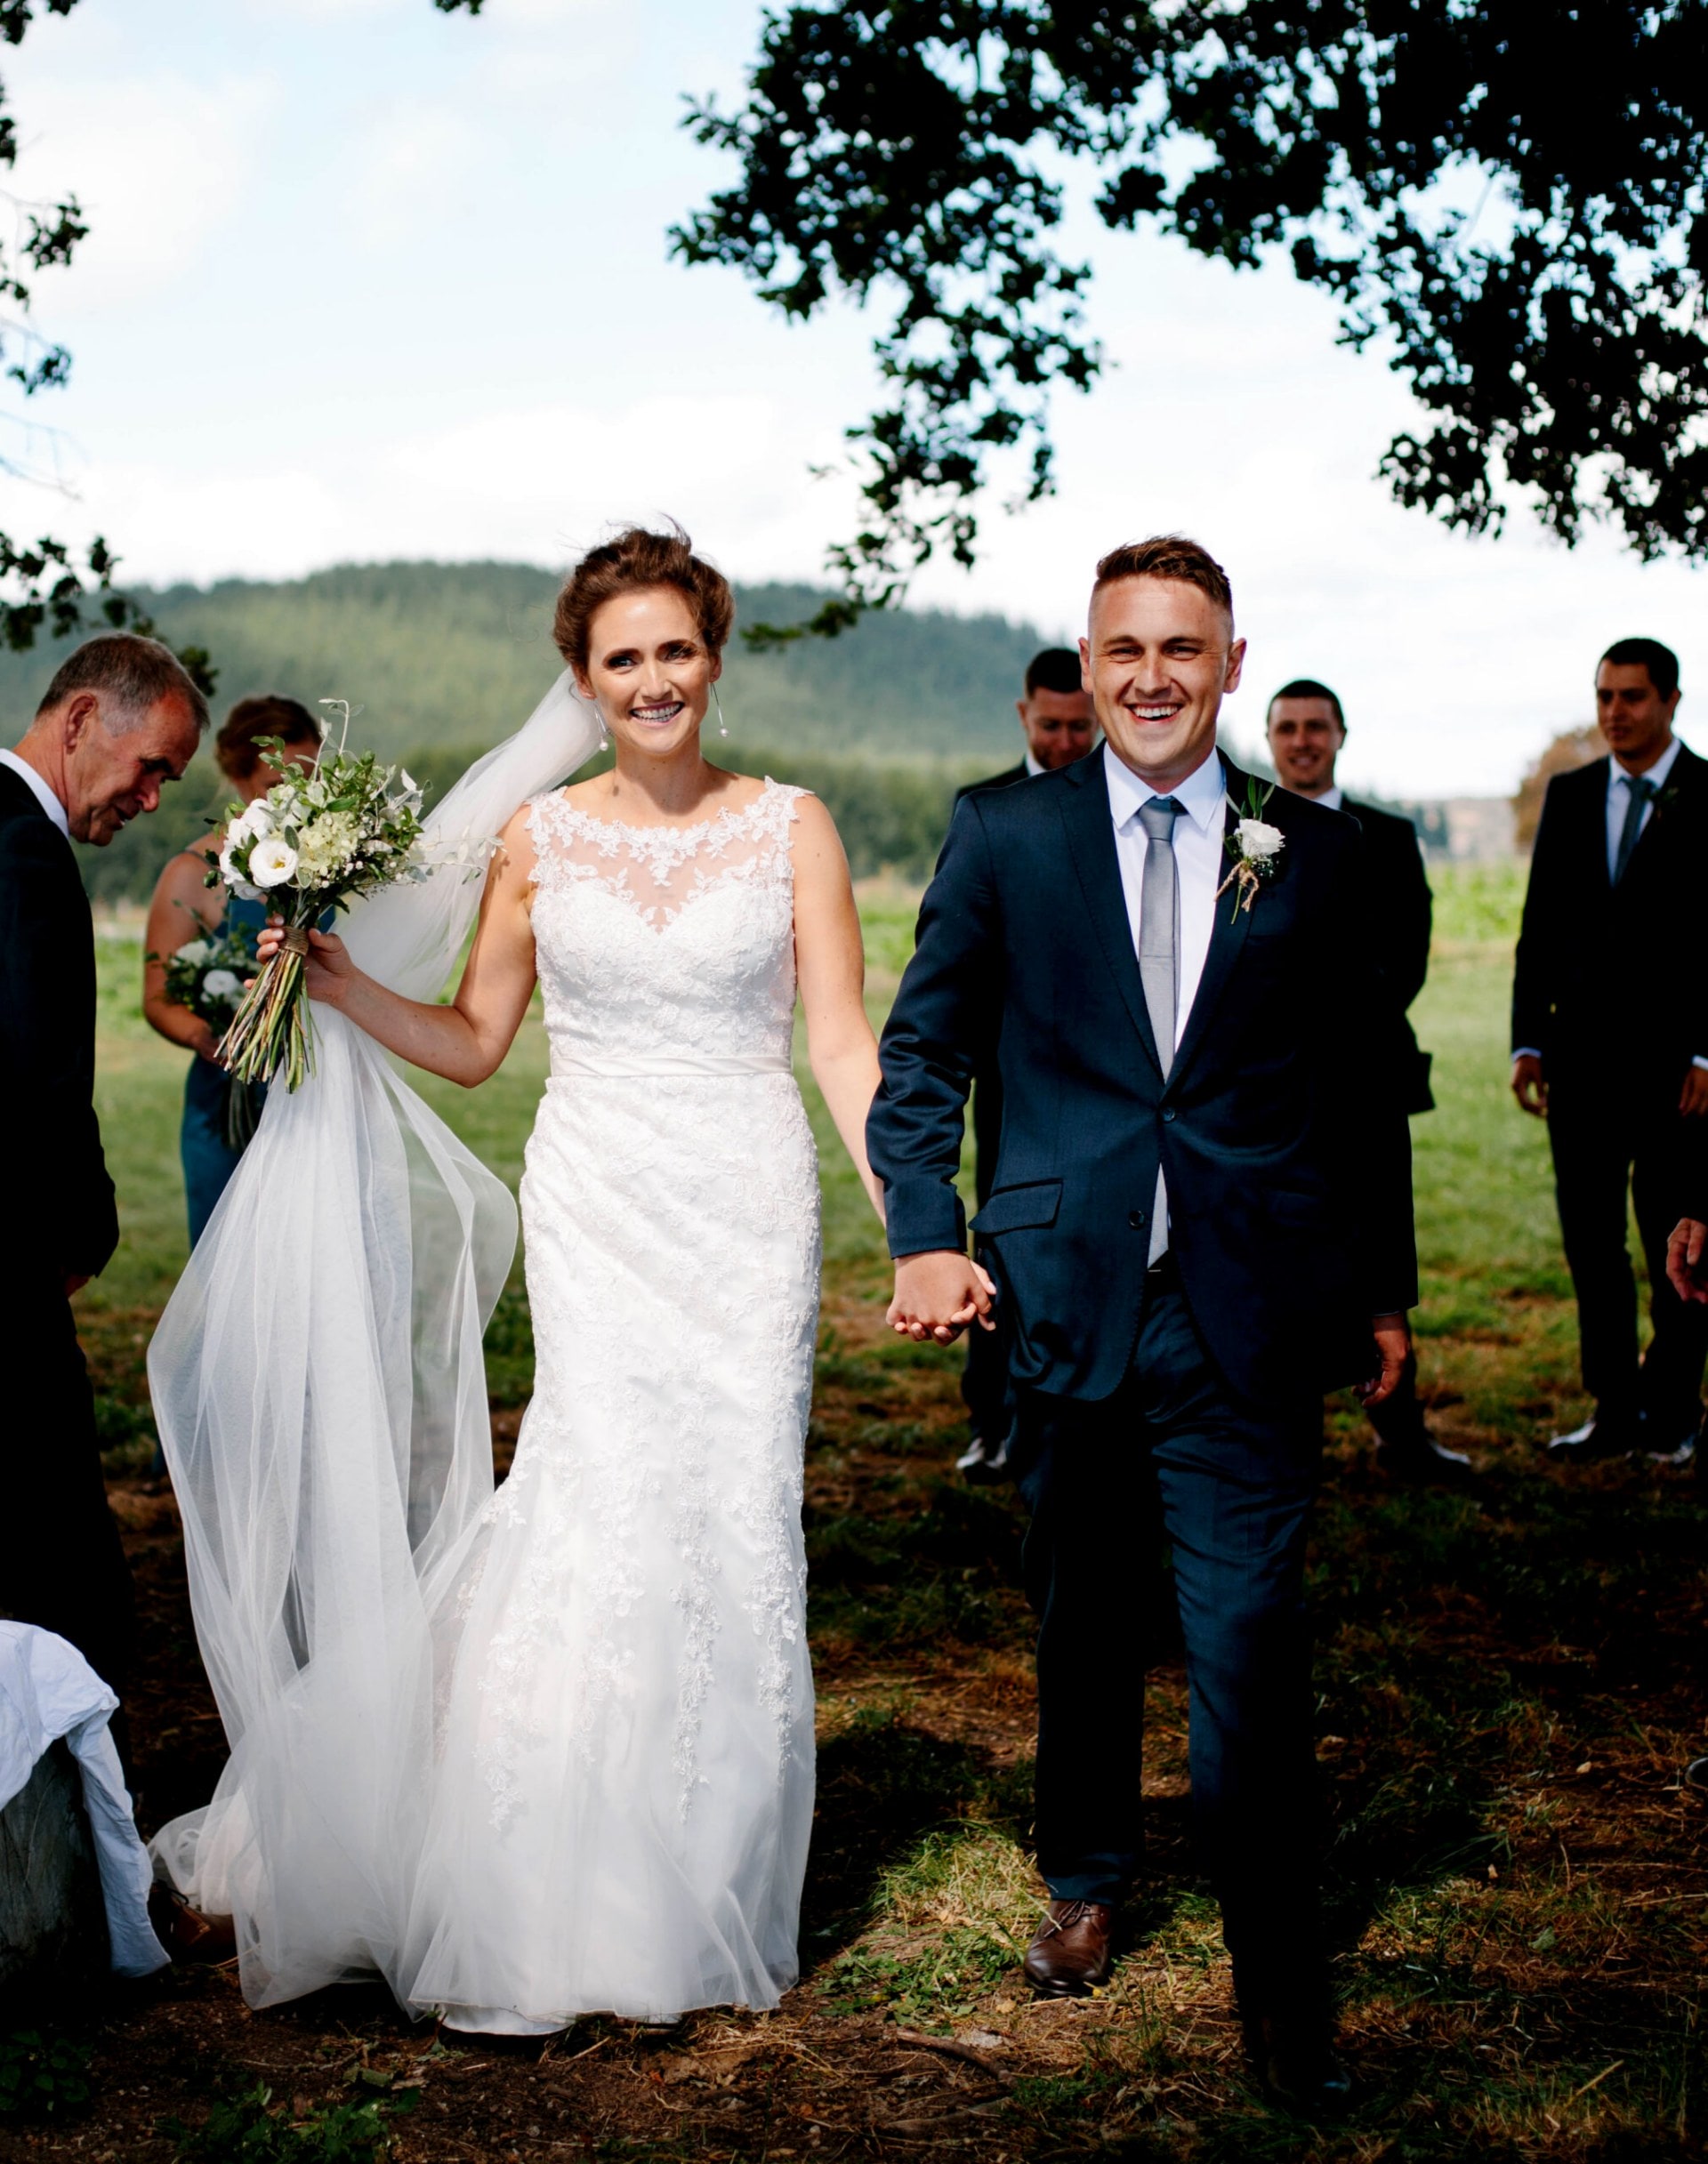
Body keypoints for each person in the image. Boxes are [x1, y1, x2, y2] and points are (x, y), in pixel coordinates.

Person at [149, 527, 892, 2031]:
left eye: (675, 648)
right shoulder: (542, 840)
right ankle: (558, 1878)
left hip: (746, 1210)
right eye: (622, 657)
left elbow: (839, 1043)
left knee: (735, 1514)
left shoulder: (792, 825)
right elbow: (480, 1042)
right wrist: (347, 987)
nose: (654, 678)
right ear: (584, 676)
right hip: (600, 1205)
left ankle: (704, 1865)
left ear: (713, 652)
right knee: (598, 1506)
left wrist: (923, 1216)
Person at [869, 535, 1414, 2113]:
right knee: (1084, 1617)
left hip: (1247, 1315)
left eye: (1187, 646)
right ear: (1088, 663)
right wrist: (924, 1233)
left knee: (1248, 1643)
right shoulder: (1005, 835)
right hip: (1057, 1305)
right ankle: (1091, 1873)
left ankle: (1278, 1981)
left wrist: (1380, 1291)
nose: (1155, 675)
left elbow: (1353, 1101)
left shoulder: (1309, 854)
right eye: (1125, 649)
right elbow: (925, 1062)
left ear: (1233, 663)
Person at [0, 633, 206, 1695]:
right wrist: (81, 1237)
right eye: (154, 766)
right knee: (61, 1586)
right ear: (82, 721)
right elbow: (37, 1086)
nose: (155, 798)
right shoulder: (21, 852)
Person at [1266, 679, 1469, 1484]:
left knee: (1377, 1246)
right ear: (1271, 736)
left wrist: (1341, 1030)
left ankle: (1401, 1432)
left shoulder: (1386, 833)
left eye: (1317, 727)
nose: (1303, 740)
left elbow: (1408, 951)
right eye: (1288, 727)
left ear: (1341, 735)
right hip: (1266, 1084)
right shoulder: (1240, 830)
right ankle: (1279, 1439)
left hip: (1365, 1075)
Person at [1511, 637, 1708, 1467]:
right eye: (1604, 696)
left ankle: (1673, 1410)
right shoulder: (1571, 793)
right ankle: (1613, 1408)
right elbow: (1540, 925)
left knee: (1678, 1245)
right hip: (1580, 1065)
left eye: (1631, 697)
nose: (1614, 713)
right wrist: (1528, 1038)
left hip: (1677, 1072)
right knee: (1592, 1244)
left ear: (1670, 700)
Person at [953, 648, 1098, 1481]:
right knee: (1002, 1239)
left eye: (1082, 726)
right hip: (1014, 1072)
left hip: (1115, 1069)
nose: (1069, 740)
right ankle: (993, 1420)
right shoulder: (984, 808)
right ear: (1023, 717)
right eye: (1053, 725)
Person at [142, 696, 324, 1246]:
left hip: (316, 1094)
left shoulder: (326, 868)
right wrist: (212, 1039)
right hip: (227, 1103)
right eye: (276, 784)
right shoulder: (191, 873)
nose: (293, 798)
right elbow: (157, 998)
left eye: (309, 781)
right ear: (238, 777)